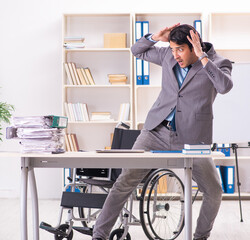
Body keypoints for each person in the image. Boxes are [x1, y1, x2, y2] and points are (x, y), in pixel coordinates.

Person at [92, 23, 233, 240]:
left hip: (192, 140)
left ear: (194, 46)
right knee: (124, 182)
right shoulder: (169, 55)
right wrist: (155, 37)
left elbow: (225, 87)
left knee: (214, 191)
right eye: (173, 49)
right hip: (155, 132)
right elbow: (137, 51)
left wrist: (202, 57)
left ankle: (200, 237)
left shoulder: (217, 62)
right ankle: (99, 235)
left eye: (180, 49)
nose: (175, 54)